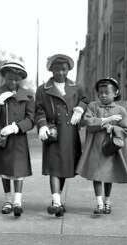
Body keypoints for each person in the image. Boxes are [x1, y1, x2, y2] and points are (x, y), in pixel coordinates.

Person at [35, 54, 88, 217]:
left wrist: (80, 108)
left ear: (68, 69)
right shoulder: (43, 89)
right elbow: (39, 110)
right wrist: (42, 125)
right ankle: (56, 201)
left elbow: (85, 100)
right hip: (53, 132)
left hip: (70, 133)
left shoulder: (76, 87)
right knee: (54, 167)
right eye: (57, 69)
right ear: (51, 69)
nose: (60, 72)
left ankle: (57, 199)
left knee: (64, 167)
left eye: (64, 69)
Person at [76, 78, 127, 215]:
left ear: (115, 93)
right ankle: (99, 204)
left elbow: (126, 130)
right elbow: (88, 123)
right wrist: (103, 122)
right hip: (96, 148)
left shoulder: (121, 110)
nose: (103, 95)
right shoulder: (93, 107)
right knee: (96, 175)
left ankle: (107, 202)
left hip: (111, 150)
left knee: (108, 175)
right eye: (100, 92)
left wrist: (113, 128)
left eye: (106, 92)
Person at [0, 61, 34, 217]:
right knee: (4, 170)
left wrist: (17, 127)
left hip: (18, 138)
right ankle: (7, 200)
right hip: (2, 138)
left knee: (18, 170)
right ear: (4, 77)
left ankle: (17, 202)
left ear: (20, 79)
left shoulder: (28, 95)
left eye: (16, 79)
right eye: (9, 78)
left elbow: (31, 119)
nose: (12, 82)